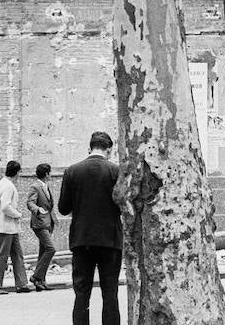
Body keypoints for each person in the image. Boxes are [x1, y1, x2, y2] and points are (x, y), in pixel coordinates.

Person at [59, 131, 123, 325]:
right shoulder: (116, 171)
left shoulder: (72, 171)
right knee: (110, 293)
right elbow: (123, 205)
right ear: (109, 150)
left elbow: (63, 208)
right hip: (110, 241)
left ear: (89, 148)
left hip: (82, 240)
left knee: (81, 294)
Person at [0, 159, 30, 294]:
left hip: (10, 227)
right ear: (17, 172)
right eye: (19, 172)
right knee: (3, 256)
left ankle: (22, 284)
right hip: (7, 227)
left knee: (17, 255)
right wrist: (17, 214)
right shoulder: (8, 186)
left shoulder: (3, 183)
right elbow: (5, 206)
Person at [27, 162, 56, 290]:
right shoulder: (35, 186)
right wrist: (37, 209)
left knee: (43, 251)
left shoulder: (47, 185)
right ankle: (36, 276)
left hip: (48, 222)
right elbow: (30, 202)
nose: (51, 175)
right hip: (39, 223)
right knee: (51, 249)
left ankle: (41, 282)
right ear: (46, 174)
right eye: (50, 172)